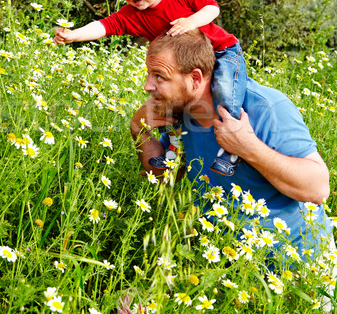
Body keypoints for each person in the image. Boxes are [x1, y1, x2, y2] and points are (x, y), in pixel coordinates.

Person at [130, 30, 332, 262]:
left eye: (159, 76)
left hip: (301, 265)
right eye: (148, 74)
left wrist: (249, 147)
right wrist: (140, 131)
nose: (147, 86)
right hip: (226, 263)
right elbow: (163, 177)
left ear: (195, 78)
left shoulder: (266, 107)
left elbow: (318, 190)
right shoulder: (180, 113)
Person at [54, 0, 246, 175]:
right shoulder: (133, 15)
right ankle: (174, 152)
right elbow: (105, 25)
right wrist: (74, 35)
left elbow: (212, 8)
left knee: (226, 93)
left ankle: (232, 147)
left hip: (222, 51)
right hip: (185, 71)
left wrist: (191, 21)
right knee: (173, 105)